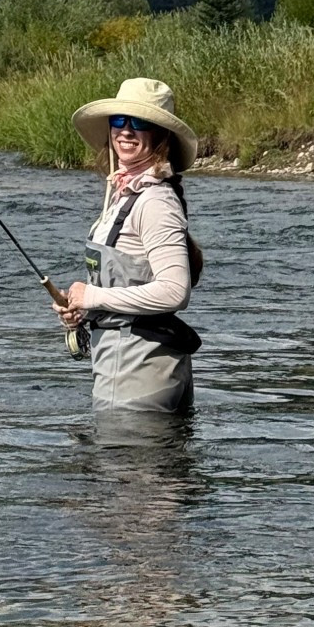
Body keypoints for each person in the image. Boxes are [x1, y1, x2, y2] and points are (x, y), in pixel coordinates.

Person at [58, 75, 201, 417]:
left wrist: (94, 297)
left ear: (160, 135)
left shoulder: (154, 201)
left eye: (138, 122)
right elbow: (131, 285)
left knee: (124, 468)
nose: (125, 130)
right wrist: (83, 309)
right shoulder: (125, 194)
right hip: (135, 363)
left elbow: (174, 292)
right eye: (118, 121)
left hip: (137, 370)